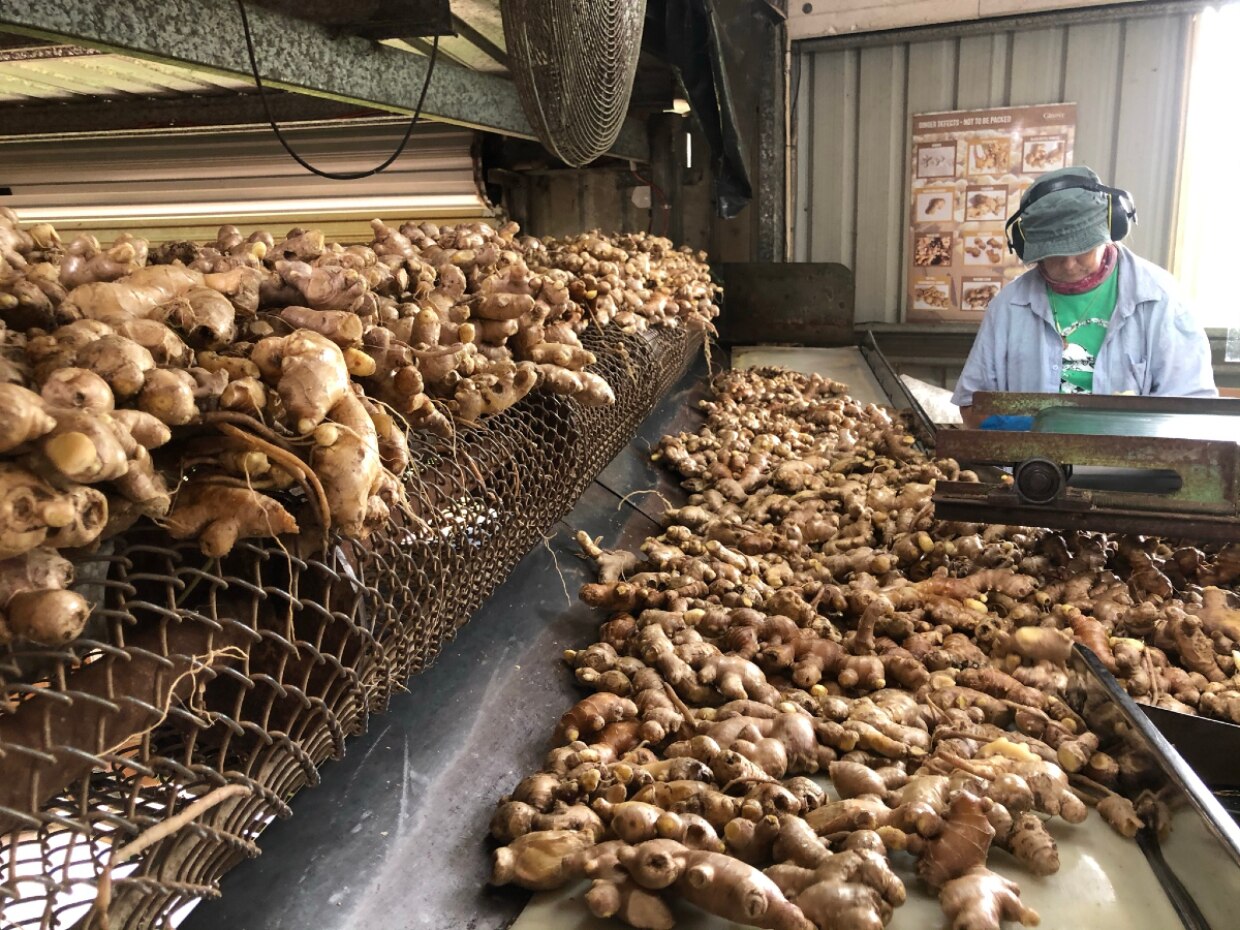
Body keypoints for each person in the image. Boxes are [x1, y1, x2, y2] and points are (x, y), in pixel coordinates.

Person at [951, 166, 1216, 427]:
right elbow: (972, 405)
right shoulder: (1008, 307)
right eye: (1054, 253)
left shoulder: (1161, 298)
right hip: (1030, 455)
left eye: (1083, 249)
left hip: (1134, 456)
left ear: (1111, 227)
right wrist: (1030, 431)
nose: (1069, 264)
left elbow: (1192, 409)